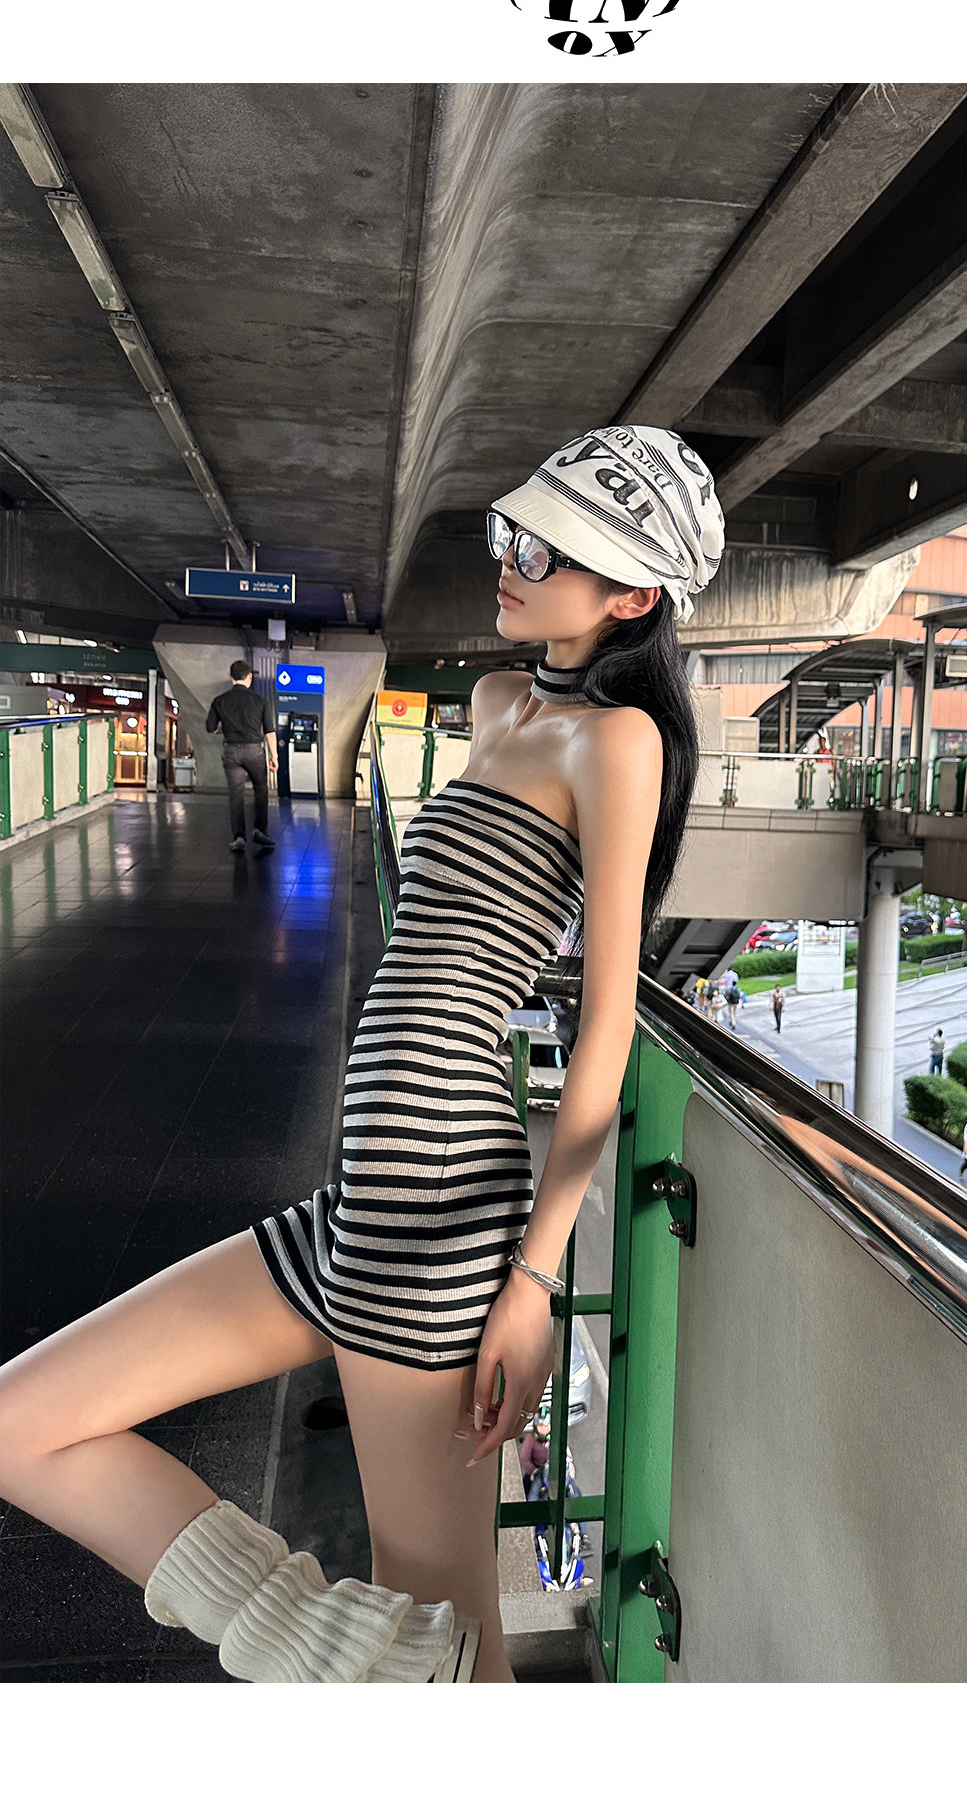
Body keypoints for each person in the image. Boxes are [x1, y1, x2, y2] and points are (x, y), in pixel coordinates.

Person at [0, 422, 723, 1686]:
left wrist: (534, 1278)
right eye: (511, 532)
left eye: (545, 551)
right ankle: (345, 1664)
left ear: (633, 596)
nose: (507, 560)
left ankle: (372, 1675)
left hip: (439, 1206)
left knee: (450, 1637)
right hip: (362, 1198)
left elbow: (607, 1018)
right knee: (26, 1422)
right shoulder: (497, 703)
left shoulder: (620, 743)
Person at [205, 659, 278, 852]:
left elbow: (210, 727)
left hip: (231, 751)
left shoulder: (220, 700)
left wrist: (224, 730)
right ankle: (260, 830)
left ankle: (239, 837)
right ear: (250, 677)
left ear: (231, 677)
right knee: (261, 788)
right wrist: (274, 757)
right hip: (254, 751)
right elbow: (269, 732)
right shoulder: (260, 700)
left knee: (235, 794)